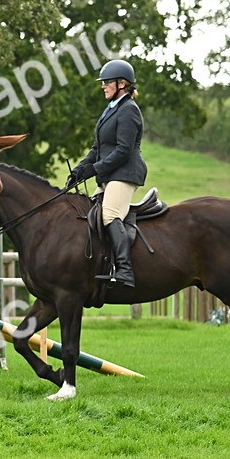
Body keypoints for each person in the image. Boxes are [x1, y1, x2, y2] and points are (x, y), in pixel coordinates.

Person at [65, 58, 147, 287]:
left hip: (125, 173)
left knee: (109, 215)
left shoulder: (129, 110)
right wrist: (81, 169)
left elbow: (123, 150)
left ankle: (125, 270)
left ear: (122, 84)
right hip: (110, 175)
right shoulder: (111, 110)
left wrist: (95, 169)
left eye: (107, 82)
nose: (103, 86)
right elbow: (97, 149)